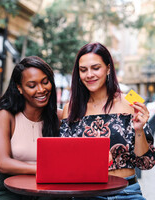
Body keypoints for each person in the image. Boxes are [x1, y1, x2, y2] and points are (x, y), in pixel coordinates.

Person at [60, 42, 155, 200]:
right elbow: (64, 161)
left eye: (96, 68)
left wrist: (139, 130)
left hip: (127, 192)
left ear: (108, 68)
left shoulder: (132, 101)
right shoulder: (70, 108)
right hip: (86, 194)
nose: (89, 74)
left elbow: (146, 162)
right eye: (83, 70)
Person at [0, 56, 63, 200]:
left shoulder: (59, 117)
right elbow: (2, 163)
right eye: (32, 85)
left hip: (48, 190)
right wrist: (45, 170)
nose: (41, 90)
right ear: (19, 88)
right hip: (10, 190)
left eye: (45, 82)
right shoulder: (6, 116)